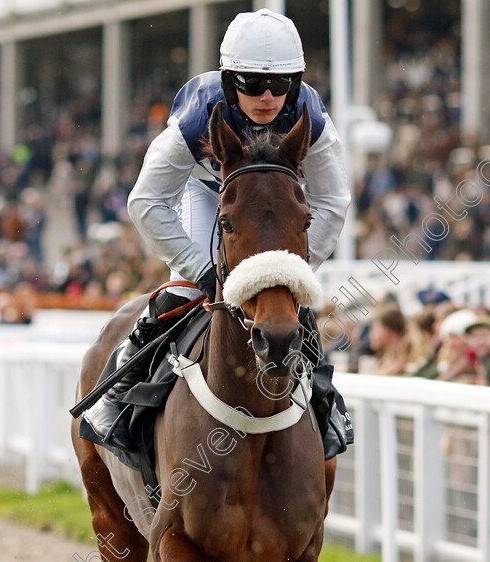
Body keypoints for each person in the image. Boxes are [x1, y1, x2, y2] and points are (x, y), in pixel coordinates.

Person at [85, 9, 351, 446]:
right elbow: (145, 201)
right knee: (184, 292)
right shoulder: (196, 118)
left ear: (296, 84)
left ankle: (325, 401)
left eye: (280, 84)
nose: (267, 96)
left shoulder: (313, 120)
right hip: (210, 193)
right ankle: (117, 395)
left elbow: (332, 203)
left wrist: (294, 272)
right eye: (252, 84)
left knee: (289, 306)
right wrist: (202, 270)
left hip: (276, 206)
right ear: (231, 83)